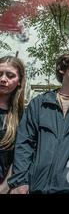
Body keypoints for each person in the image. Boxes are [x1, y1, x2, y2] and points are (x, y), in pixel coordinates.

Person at [8, 49, 69, 194]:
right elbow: (24, 143)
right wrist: (20, 181)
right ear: (62, 69)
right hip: (34, 186)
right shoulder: (40, 103)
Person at [0, 56, 26, 194]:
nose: (3, 79)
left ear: (19, 82)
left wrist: (5, 187)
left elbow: (19, 156)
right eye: (0, 74)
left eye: (10, 76)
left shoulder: (22, 117)